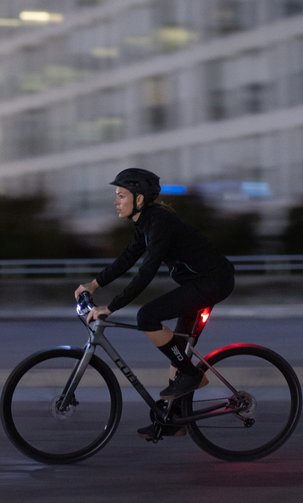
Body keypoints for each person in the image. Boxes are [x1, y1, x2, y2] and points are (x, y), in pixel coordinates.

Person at [74, 168, 235, 436]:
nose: (116, 201)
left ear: (139, 199)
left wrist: (111, 307)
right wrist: (94, 284)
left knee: (147, 317)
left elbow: (146, 271)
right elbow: (127, 259)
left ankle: (192, 375)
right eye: (116, 195)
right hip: (199, 283)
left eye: (121, 195)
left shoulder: (160, 222)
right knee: (178, 347)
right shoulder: (145, 223)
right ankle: (175, 421)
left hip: (213, 282)